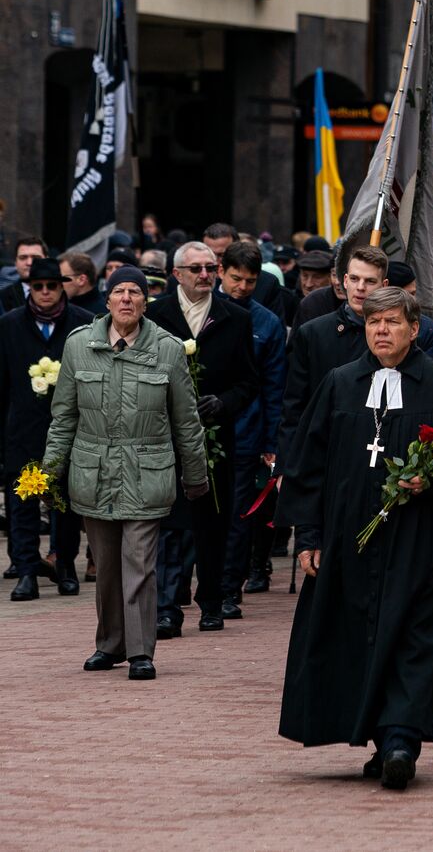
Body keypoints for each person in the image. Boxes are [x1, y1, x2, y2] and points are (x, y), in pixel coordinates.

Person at [277, 287, 433, 790]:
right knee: (357, 637)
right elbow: (307, 465)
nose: (381, 331)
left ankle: (402, 739)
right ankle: (380, 738)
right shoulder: (340, 384)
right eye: (374, 322)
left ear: (414, 329)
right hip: (351, 539)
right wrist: (309, 535)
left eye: (393, 322)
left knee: (417, 636)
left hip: (425, 540)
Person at [43, 267, 209, 681]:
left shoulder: (168, 349)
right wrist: (49, 471)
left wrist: (195, 475)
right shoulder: (80, 346)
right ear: (107, 299)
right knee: (107, 568)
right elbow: (63, 417)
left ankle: (140, 651)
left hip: (146, 472)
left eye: (135, 292)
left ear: (145, 301)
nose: (126, 299)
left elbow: (186, 421)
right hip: (93, 471)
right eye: (119, 292)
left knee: (139, 563)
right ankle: (110, 644)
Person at [145, 241, 259, 635]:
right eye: (196, 269)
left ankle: (211, 600)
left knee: (212, 521)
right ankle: (167, 608)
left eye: (211, 268)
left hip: (215, 439)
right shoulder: (155, 315)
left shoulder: (235, 318)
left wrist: (224, 403)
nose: (205, 275)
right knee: (172, 523)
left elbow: (248, 382)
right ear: (176, 274)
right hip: (164, 436)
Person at [0, 258, 95, 599]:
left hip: (70, 433)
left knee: (66, 505)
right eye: (37, 287)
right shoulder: (10, 325)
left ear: (62, 287)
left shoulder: (83, 324)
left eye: (51, 286)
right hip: (23, 433)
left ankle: (65, 566)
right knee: (22, 504)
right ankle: (27, 570)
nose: (44, 293)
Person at [214, 241, 286, 613]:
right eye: (236, 278)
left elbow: (275, 386)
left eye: (250, 281)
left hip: (247, 431)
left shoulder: (267, 323)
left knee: (240, 515)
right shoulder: (203, 310)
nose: (242, 287)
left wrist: (272, 439)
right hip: (202, 430)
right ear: (221, 271)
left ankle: (229, 588)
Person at [279, 246, 389, 459]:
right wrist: (285, 465)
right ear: (344, 280)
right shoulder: (313, 333)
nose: (360, 288)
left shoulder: (395, 336)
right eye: (355, 279)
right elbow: (293, 405)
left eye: (370, 281)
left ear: (384, 285)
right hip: (322, 449)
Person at [1, 236, 47, 312]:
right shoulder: (2, 297)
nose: (29, 263)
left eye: (36, 258)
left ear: (47, 260)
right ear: (15, 263)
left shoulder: (62, 294)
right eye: (23, 257)